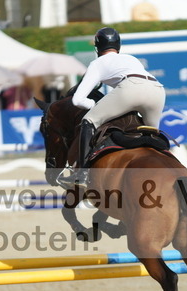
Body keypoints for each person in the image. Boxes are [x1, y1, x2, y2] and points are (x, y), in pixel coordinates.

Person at [59, 27, 165, 188]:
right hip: (158, 90)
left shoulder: (97, 63)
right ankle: (167, 164)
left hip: (131, 88)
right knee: (152, 138)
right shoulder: (131, 59)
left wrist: (94, 105)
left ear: (97, 47)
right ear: (118, 45)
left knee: (89, 120)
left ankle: (82, 173)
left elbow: (77, 100)